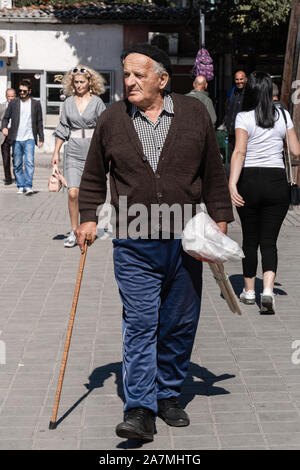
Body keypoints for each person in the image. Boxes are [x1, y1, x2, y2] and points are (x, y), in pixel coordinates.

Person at [76, 43, 233, 442]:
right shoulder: (113, 118)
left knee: (180, 323)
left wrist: (220, 217)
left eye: (138, 75)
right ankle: (141, 408)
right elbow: (94, 174)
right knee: (142, 324)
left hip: (185, 239)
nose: (128, 81)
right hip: (134, 241)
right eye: (125, 74)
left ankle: (167, 393)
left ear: (162, 79)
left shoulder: (194, 113)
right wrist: (89, 218)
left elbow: (213, 172)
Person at [229, 71, 300, 314]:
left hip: (249, 180)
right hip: (276, 182)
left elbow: (239, 152)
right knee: (269, 242)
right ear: (270, 91)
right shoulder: (283, 115)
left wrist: (231, 184)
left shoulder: (243, 117)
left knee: (250, 240)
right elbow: (296, 150)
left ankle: (249, 292)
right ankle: (268, 291)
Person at [51, 65, 106, 248]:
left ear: (90, 82)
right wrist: (56, 152)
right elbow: (63, 128)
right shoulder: (67, 103)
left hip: (92, 151)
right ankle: (74, 231)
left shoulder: (97, 102)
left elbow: (105, 129)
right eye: (76, 82)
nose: (79, 85)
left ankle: (89, 226)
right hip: (73, 150)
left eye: (82, 82)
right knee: (73, 192)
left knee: (90, 192)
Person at [2, 79, 44, 195]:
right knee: (17, 163)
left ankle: (28, 185)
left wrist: (41, 138)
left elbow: (39, 122)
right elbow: (5, 118)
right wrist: (4, 127)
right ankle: (20, 185)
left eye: (24, 91)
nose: (21, 93)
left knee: (29, 162)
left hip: (29, 138)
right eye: (20, 91)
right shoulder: (14, 103)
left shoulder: (36, 104)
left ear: (29, 91)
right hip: (16, 138)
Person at [225, 70, 248, 160]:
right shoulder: (232, 92)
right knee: (232, 156)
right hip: (232, 131)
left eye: (241, 79)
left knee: (241, 156)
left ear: (246, 79)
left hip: (244, 132)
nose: (239, 81)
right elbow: (227, 108)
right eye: (237, 79)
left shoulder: (249, 94)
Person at [0, 88, 16, 185]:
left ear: (15, 96)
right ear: (6, 96)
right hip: (4, 136)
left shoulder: (19, 107)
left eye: (12, 96)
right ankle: (8, 178)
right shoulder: (1, 107)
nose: (10, 98)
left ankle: (17, 176)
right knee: (6, 159)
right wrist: (3, 128)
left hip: (16, 135)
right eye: (9, 96)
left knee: (16, 158)